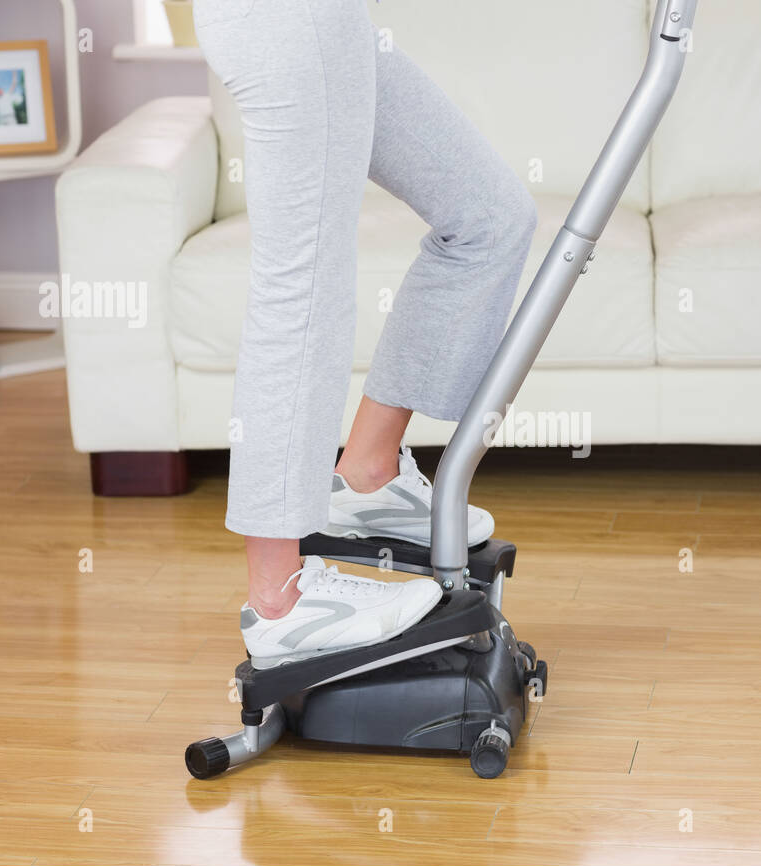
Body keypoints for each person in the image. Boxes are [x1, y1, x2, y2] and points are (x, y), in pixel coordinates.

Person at [193, 0, 537, 669]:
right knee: (303, 288)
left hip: (335, 21)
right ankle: (277, 600)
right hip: (285, 21)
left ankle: (370, 471)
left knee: (490, 215)